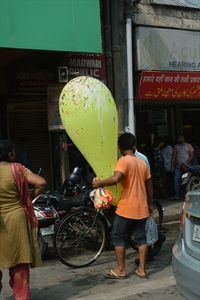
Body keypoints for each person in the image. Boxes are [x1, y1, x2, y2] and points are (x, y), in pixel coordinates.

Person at [93, 133, 153, 279]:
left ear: (120, 148)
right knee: (141, 238)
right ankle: (142, 270)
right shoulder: (142, 163)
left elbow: (116, 179)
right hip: (142, 207)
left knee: (117, 236)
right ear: (134, 146)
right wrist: (149, 205)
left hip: (127, 207)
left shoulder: (123, 161)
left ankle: (121, 270)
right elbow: (150, 187)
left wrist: (99, 183)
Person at [0, 140, 47, 299]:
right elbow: (41, 182)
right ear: (10, 154)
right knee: (19, 264)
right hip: (16, 220)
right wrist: (29, 196)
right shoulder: (18, 169)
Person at [172, 134, 194, 200]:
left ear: (183, 138)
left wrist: (186, 162)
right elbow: (174, 156)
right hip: (178, 167)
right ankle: (177, 195)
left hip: (187, 167)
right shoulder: (176, 147)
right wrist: (172, 166)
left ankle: (189, 196)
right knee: (176, 180)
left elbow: (192, 155)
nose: (179, 139)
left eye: (180, 138)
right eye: (178, 138)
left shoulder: (189, 145)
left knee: (186, 181)